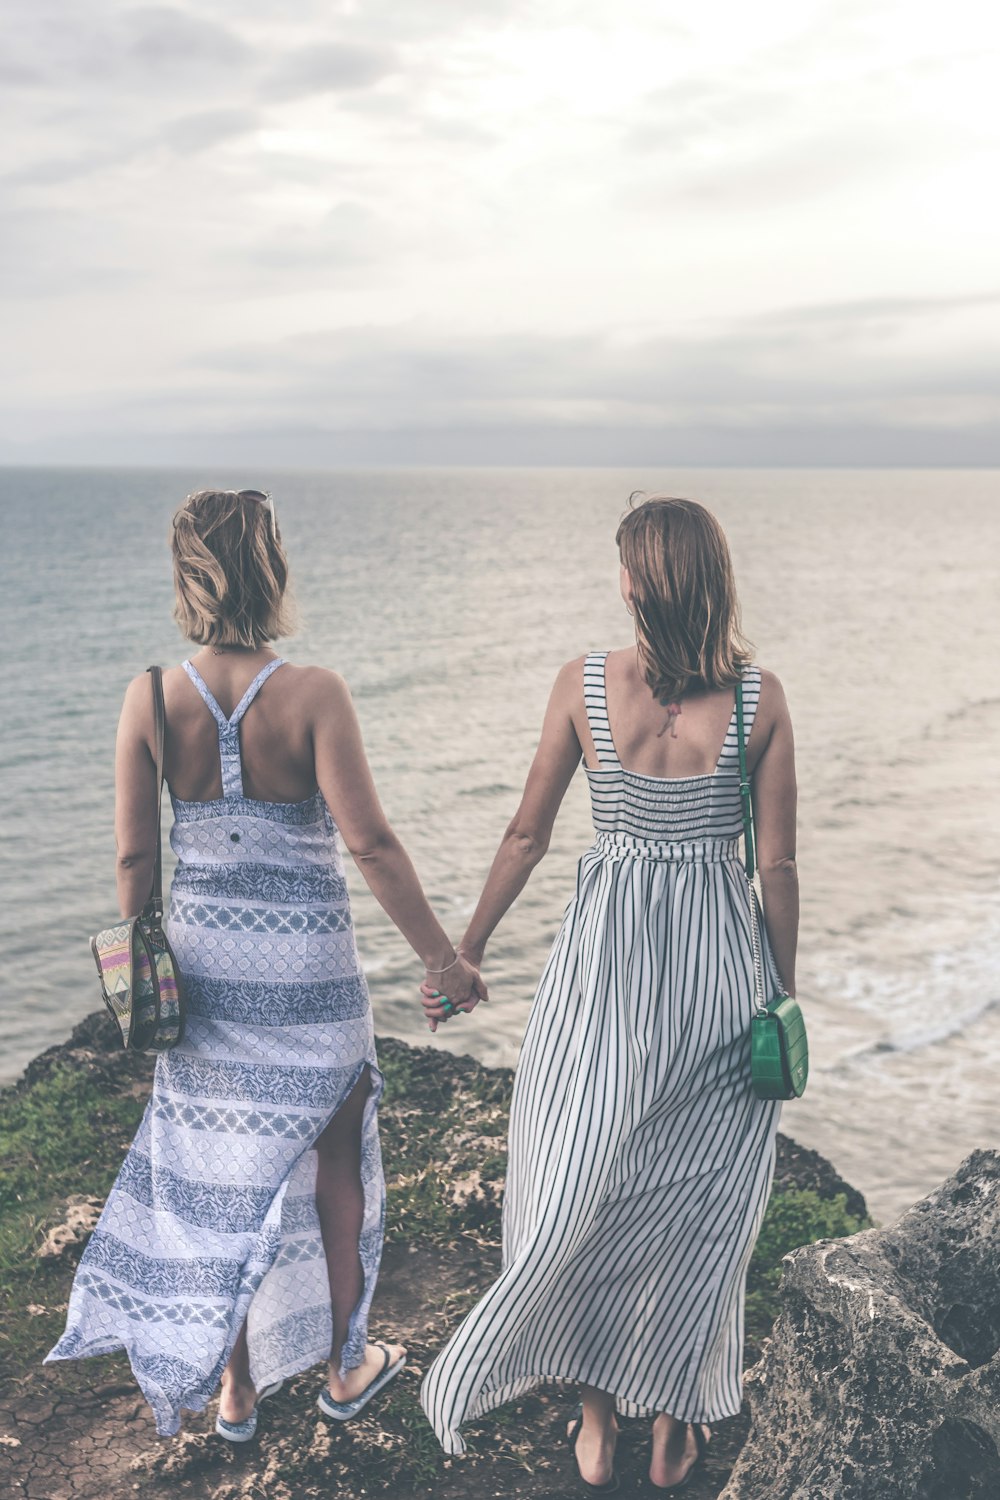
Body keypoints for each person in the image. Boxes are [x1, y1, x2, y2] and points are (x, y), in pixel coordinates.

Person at [46, 488, 485, 1440]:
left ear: (186, 574)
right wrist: (443, 961)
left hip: (203, 976)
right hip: (312, 982)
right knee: (337, 1165)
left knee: (222, 1185)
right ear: (270, 568)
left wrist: (144, 971)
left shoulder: (151, 699)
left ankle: (235, 1394)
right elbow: (369, 844)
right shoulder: (314, 693)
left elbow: (135, 860)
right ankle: (343, 1365)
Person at [419, 495, 797, 1493]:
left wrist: (463, 954)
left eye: (622, 565)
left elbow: (526, 836)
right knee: (699, 1204)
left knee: (575, 1177)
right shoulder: (758, 700)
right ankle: (670, 1427)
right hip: (721, 971)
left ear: (638, 581)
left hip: (606, 972)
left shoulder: (584, 685)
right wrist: (782, 998)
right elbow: (780, 869)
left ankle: (595, 1424)